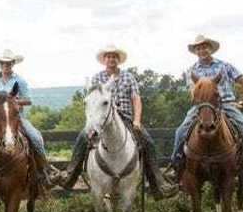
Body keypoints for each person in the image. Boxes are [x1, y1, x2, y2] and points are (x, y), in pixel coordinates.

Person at [60, 45, 177, 199]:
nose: (111, 59)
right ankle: (70, 176)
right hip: (101, 120)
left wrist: (137, 120)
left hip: (126, 118)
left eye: (114, 56)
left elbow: (136, 99)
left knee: (148, 141)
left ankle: (158, 184)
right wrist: (91, 122)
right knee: (83, 137)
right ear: (104, 60)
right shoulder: (97, 78)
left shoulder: (129, 77)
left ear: (118, 60)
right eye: (108, 56)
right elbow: (92, 102)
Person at [0, 49, 59, 188]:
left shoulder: (19, 81)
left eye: (8, 63)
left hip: (16, 118)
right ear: (0, 64)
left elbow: (28, 100)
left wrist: (11, 103)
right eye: (3, 63)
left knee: (35, 137)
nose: (6, 66)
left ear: (13, 64)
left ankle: (44, 170)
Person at [168, 34, 243, 178]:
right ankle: (175, 163)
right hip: (201, 106)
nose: (202, 50)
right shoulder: (192, 71)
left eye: (205, 47)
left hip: (226, 104)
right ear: (195, 51)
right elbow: (192, 92)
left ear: (211, 49)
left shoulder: (224, 66)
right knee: (180, 131)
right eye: (199, 48)